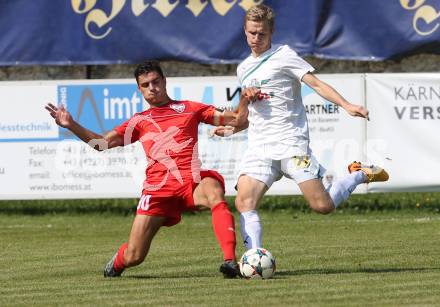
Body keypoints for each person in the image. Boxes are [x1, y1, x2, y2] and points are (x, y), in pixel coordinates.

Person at [45, 61, 248, 278]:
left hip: (190, 182)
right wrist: (71, 124)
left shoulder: (190, 108)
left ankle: (229, 261)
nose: (152, 87)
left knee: (214, 191)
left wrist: (245, 97)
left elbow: (237, 119)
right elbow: (100, 144)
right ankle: (118, 262)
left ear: (164, 81)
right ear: (139, 89)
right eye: (145, 85)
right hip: (157, 191)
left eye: (155, 82)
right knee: (135, 255)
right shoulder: (139, 121)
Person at [213, 4, 389, 250]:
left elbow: (316, 84)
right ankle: (254, 258)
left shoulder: (284, 55)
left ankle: (359, 173)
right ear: (244, 30)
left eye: (261, 33)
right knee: (244, 202)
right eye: (252, 32)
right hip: (259, 149)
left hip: (291, 144)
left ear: (271, 31)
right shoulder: (243, 69)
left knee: (322, 206)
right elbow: (248, 117)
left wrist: (346, 105)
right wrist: (229, 129)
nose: (256, 38)